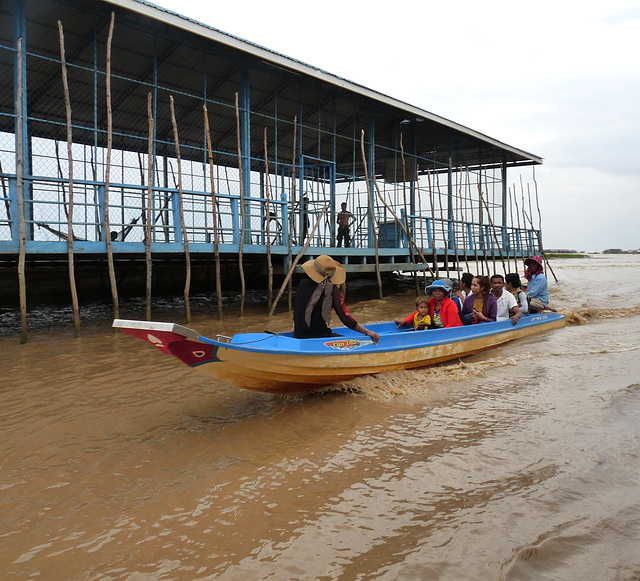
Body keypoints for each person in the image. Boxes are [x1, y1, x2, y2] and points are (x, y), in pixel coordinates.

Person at [293, 254, 379, 343]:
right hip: (320, 336)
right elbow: (345, 317)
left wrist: (295, 325)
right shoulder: (332, 290)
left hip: (299, 334)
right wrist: (366, 331)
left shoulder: (303, 283)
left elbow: (298, 308)